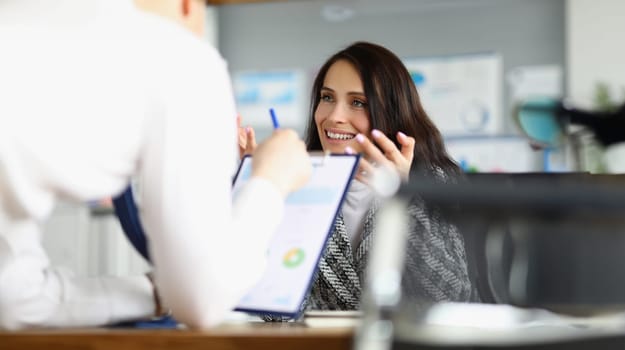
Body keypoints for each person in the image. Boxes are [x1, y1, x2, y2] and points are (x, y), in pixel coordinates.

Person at [0, 0, 312, 330]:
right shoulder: (182, 60)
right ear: (189, 6)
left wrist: (156, 292)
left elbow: (15, 300)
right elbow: (202, 300)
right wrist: (271, 179)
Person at [239, 41, 475, 312]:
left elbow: (448, 298)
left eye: (358, 103)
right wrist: (260, 188)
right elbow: (274, 310)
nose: (335, 116)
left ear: (392, 112)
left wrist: (407, 200)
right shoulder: (298, 178)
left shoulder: (433, 182)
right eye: (327, 98)